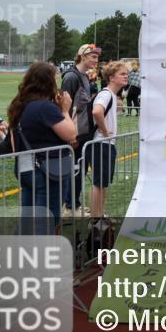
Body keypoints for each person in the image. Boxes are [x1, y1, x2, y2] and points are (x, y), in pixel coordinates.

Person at [9, 62, 77, 232]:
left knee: (27, 217)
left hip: (25, 166)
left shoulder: (18, 105)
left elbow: (13, 141)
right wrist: (65, 110)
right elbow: (71, 134)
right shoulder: (45, 107)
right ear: (48, 82)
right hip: (48, 170)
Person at [61, 44, 101, 217]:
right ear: (82, 56)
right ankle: (70, 207)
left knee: (81, 170)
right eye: (92, 56)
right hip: (75, 133)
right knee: (76, 170)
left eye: (97, 57)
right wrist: (70, 134)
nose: (96, 60)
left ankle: (73, 204)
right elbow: (65, 107)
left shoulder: (84, 76)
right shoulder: (71, 77)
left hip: (84, 131)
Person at [88, 61, 128, 218]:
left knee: (102, 183)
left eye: (126, 74)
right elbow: (97, 111)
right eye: (122, 74)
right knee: (99, 183)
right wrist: (105, 131)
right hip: (101, 144)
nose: (126, 77)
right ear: (111, 78)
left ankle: (99, 214)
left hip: (105, 144)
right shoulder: (105, 94)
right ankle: (96, 217)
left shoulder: (111, 95)